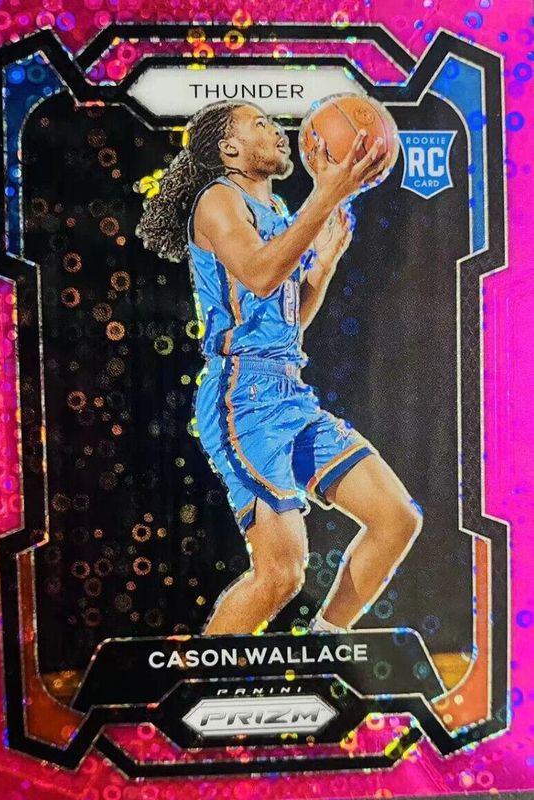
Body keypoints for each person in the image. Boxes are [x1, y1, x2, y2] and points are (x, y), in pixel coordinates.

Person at [136, 99, 422, 636]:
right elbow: (260, 274)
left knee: (396, 518)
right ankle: (196, 677)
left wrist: (324, 268)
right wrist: (327, 193)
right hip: (241, 396)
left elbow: (290, 322)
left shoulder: (279, 212)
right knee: (282, 575)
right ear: (230, 149)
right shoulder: (219, 199)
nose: (275, 130)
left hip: (289, 388)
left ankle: (325, 642)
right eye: (259, 124)